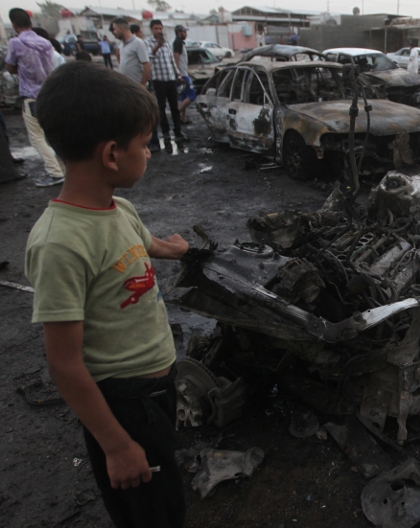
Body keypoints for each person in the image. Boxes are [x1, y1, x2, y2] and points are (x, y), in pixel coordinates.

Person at [26, 60, 189, 528]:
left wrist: (175, 250)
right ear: (112, 155)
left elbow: (145, 242)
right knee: (151, 511)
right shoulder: (60, 243)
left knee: (164, 485)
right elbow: (64, 363)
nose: (151, 153)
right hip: (121, 400)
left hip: (155, 386)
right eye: (145, 144)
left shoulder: (118, 206)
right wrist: (116, 445)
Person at [5, 8, 65, 187]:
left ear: (14, 25)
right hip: (49, 93)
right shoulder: (46, 43)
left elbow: (10, 67)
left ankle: (54, 172)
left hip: (30, 95)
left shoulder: (15, 43)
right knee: (52, 134)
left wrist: (20, 70)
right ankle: (63, 168)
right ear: (31, 23)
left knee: (37, 137)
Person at [145, 19, 184, 148]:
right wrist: (158, 45)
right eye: (156, 28)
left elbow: (171, 60)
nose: (158, 31)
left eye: (160, 28)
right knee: (161, 108)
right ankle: (166, 132)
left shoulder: (167, 43)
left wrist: (177, 74)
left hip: (170, 79)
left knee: (174, 107)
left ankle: (178, 131)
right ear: (152, 29)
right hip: (158, 80)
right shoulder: (147, 43)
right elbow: (149, 57)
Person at [111, 18, 150, 88]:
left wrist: (143, 84)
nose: (114, 32)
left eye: (115, 29)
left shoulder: (138, 43)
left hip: (137, 86)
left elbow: (146, 65)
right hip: (127, 85)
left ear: (121, 28)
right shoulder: (122, 44)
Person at [172, 25, 195, 126]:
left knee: (183, 96)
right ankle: (176, 114)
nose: (186, 34)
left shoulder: (180, 42)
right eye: (184, 32)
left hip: (182, 72)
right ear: (179, 32)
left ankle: (183, 118)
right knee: (191, 95)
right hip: (182, 74)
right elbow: (175, 56)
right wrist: (178, 73)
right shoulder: (178, 42)